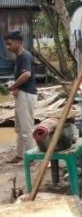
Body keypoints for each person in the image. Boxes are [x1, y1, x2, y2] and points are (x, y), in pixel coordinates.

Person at [4, 31, 37, 163]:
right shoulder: (18, 58)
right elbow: (21, 76)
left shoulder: (24, 56)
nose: (7, 47)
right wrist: (15, 85)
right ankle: (20, 155)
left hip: (26, 94)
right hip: (21, 94)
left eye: (9, 44)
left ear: (18, 42)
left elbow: (27, 74)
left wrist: (14, 86)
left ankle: (31, 158)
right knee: (19, 128)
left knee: (26, 128)